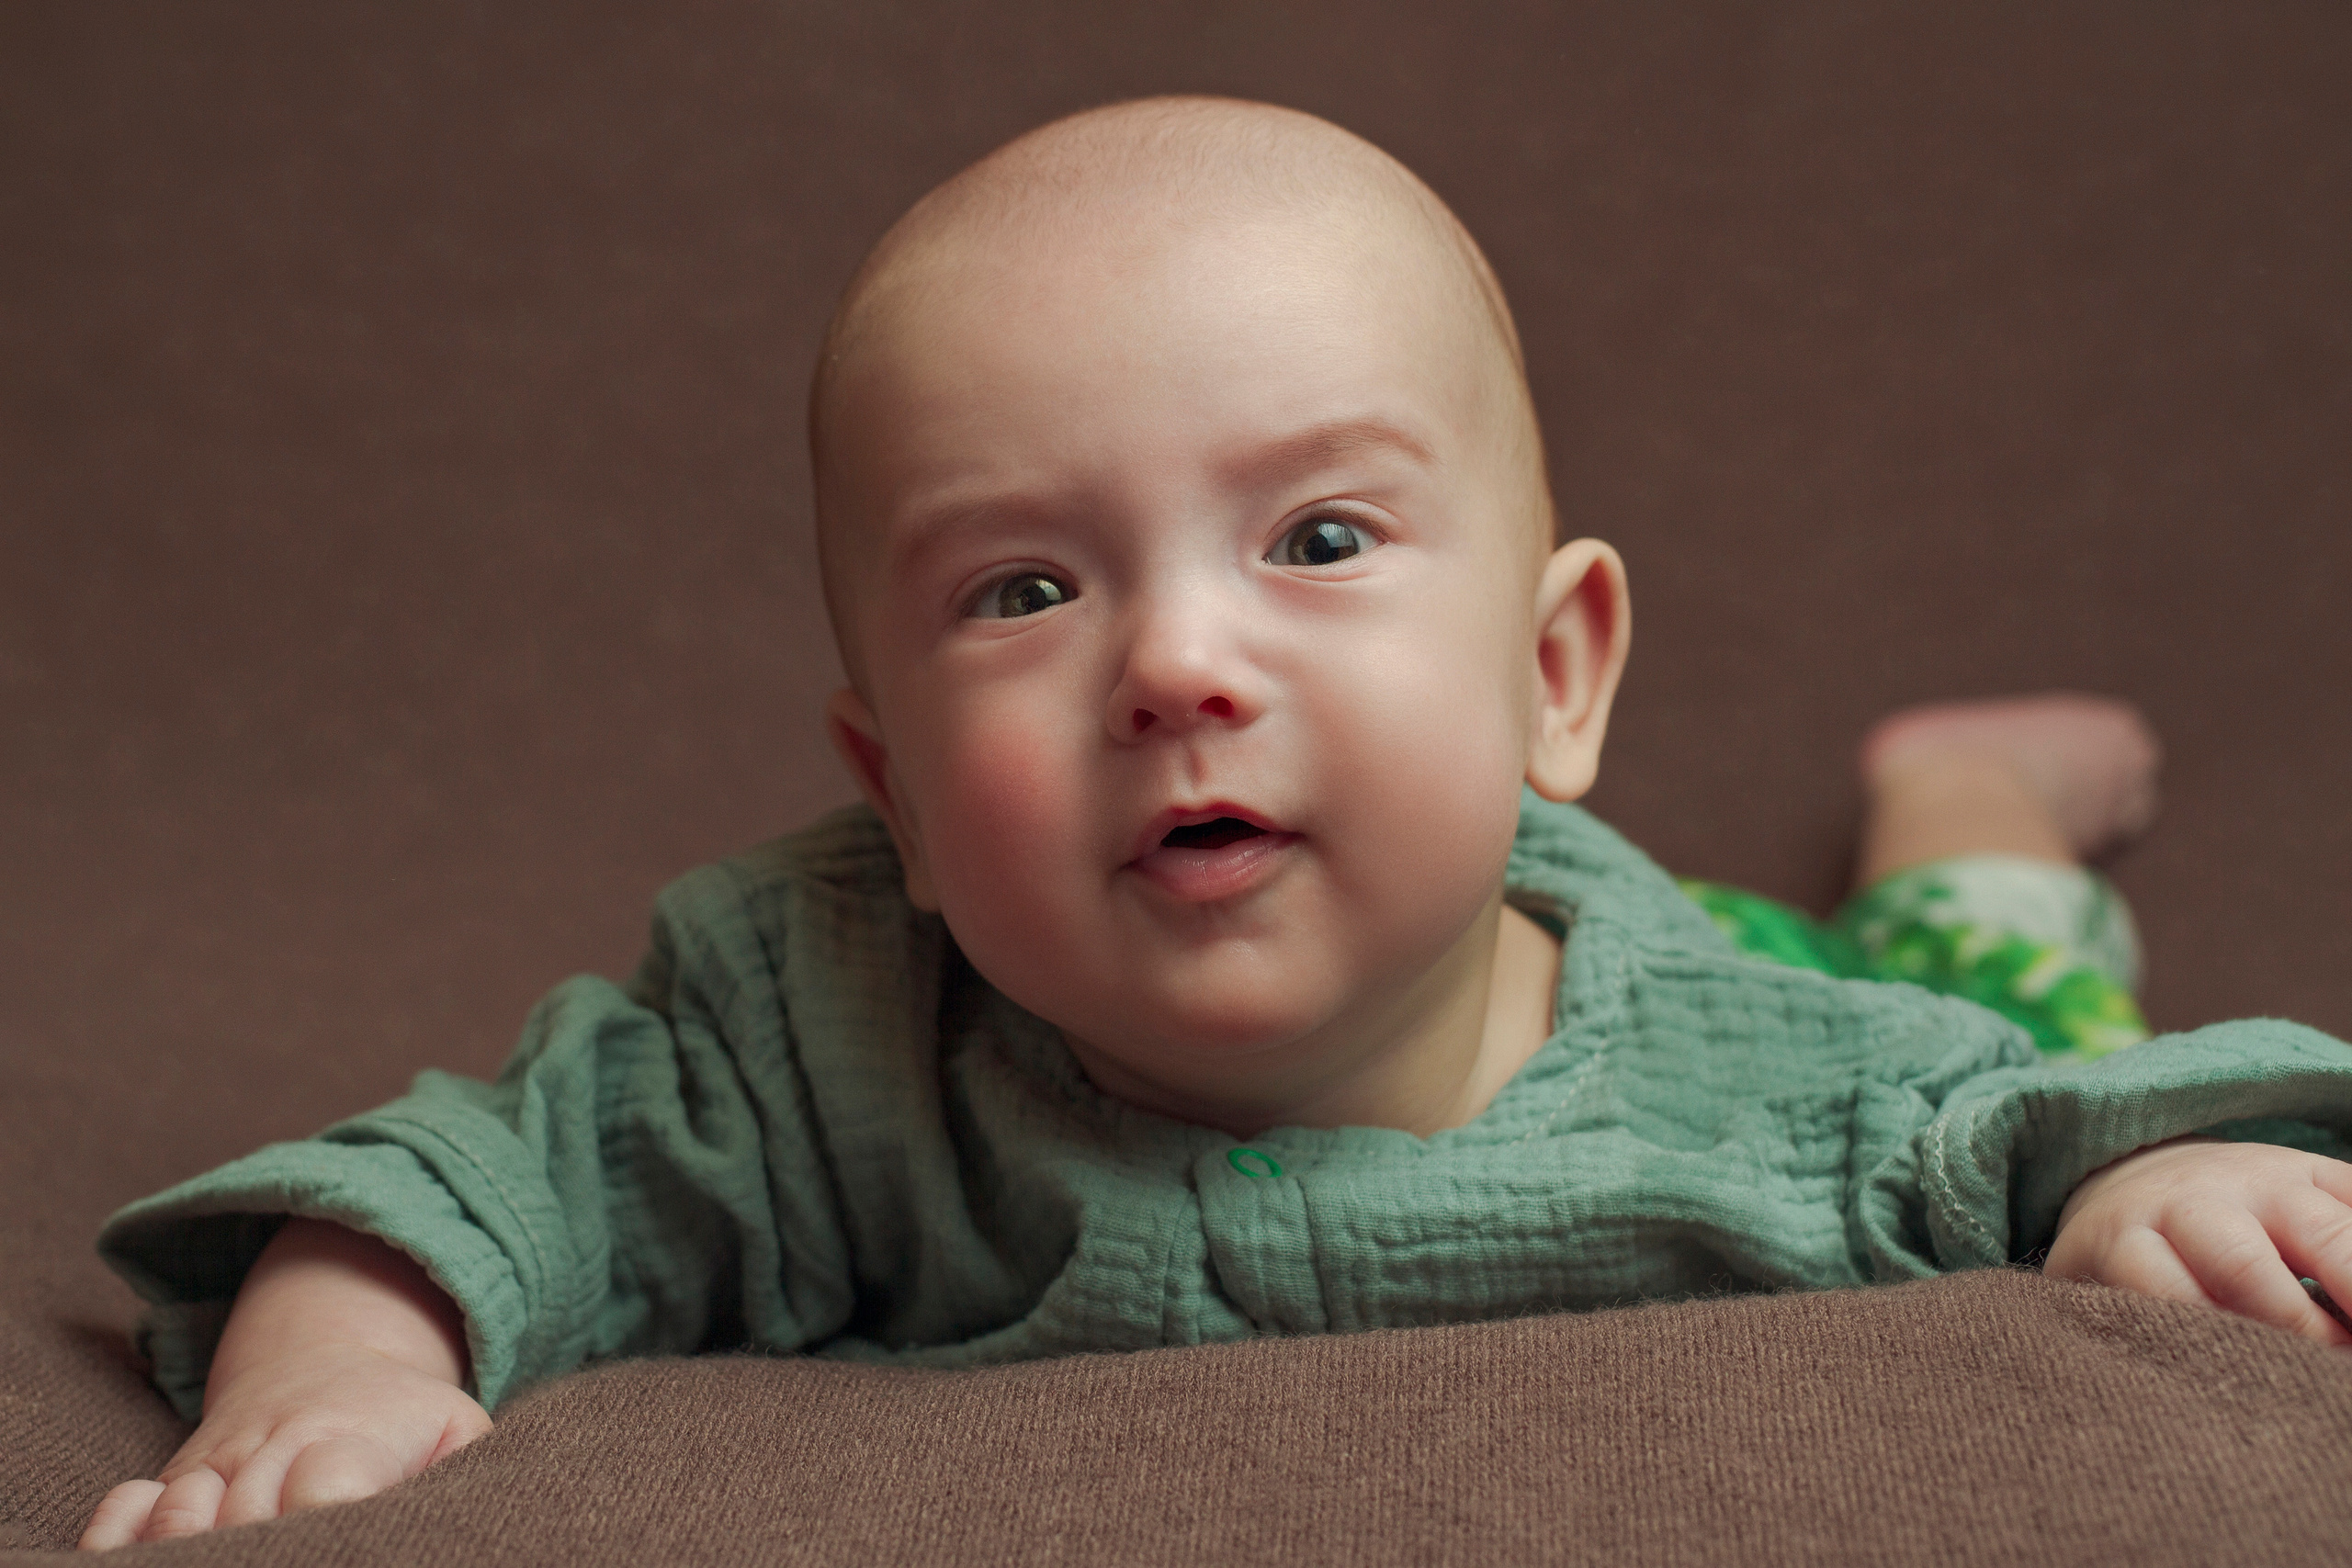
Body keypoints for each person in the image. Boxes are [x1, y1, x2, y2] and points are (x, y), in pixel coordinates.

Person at [79, 96, 2352, 1551]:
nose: (1175, 663)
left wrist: (2162, 1173)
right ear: (894, 802)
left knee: (1980, 948)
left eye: (1319, 539)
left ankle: (1960, 793)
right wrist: (341, 1360)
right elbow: (468, 1175)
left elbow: (2045, 1122)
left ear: (1553, 674)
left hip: (1775, 951)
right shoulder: (803, 1036)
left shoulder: (1792, 1087)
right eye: (1025, 588)